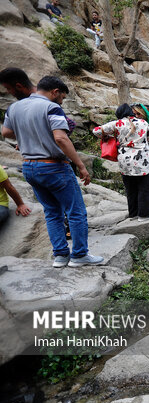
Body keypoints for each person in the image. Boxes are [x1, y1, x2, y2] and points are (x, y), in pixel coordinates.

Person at [2, 76, 103, 267]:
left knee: (51, 212)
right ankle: (80, 255)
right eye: (62, 97)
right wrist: (81, 166)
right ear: (55, 92)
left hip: (29, 167)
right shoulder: (51, 107)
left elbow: (6, 133)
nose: (62, 101)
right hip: (54, 166)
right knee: (75, 211)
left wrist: (28, 136)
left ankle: (60, 256)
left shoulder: (14, 108)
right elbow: (61, 139)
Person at [94, 104, 149, 220]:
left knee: (130, 188)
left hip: (124, 160)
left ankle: (133, 214)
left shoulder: (117, 124)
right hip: (142, 159)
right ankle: (145, 215)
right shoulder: (143, 122)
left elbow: (96, 131)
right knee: (144, 187)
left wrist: (109, 136)